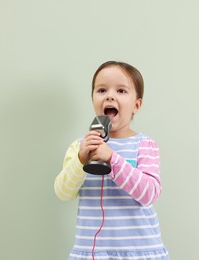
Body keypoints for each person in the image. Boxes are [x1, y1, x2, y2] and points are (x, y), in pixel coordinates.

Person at [54, 61, 169, 260]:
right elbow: (63, 192)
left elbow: (149, 194)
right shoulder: (81, 147)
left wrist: (113, 159)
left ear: (136, 105)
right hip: (92, 253)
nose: (110, 95)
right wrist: (81, 160)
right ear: (92, 99)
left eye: (121, 91)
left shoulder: (144, 145)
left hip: (138, 251)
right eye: (101, 90)